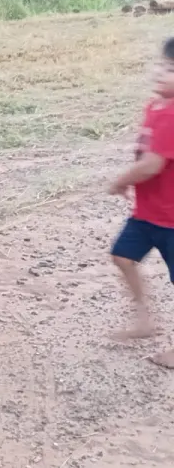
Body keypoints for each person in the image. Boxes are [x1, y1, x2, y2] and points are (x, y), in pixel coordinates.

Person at [109, 36, 174, 368]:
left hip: (172, 219)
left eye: (172, 69)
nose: (162, 73)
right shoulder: (154, 107)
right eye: (162, 65)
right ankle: (144, 319)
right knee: (121, 256)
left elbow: (152, 164)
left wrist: (121, 180)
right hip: (148, 214)